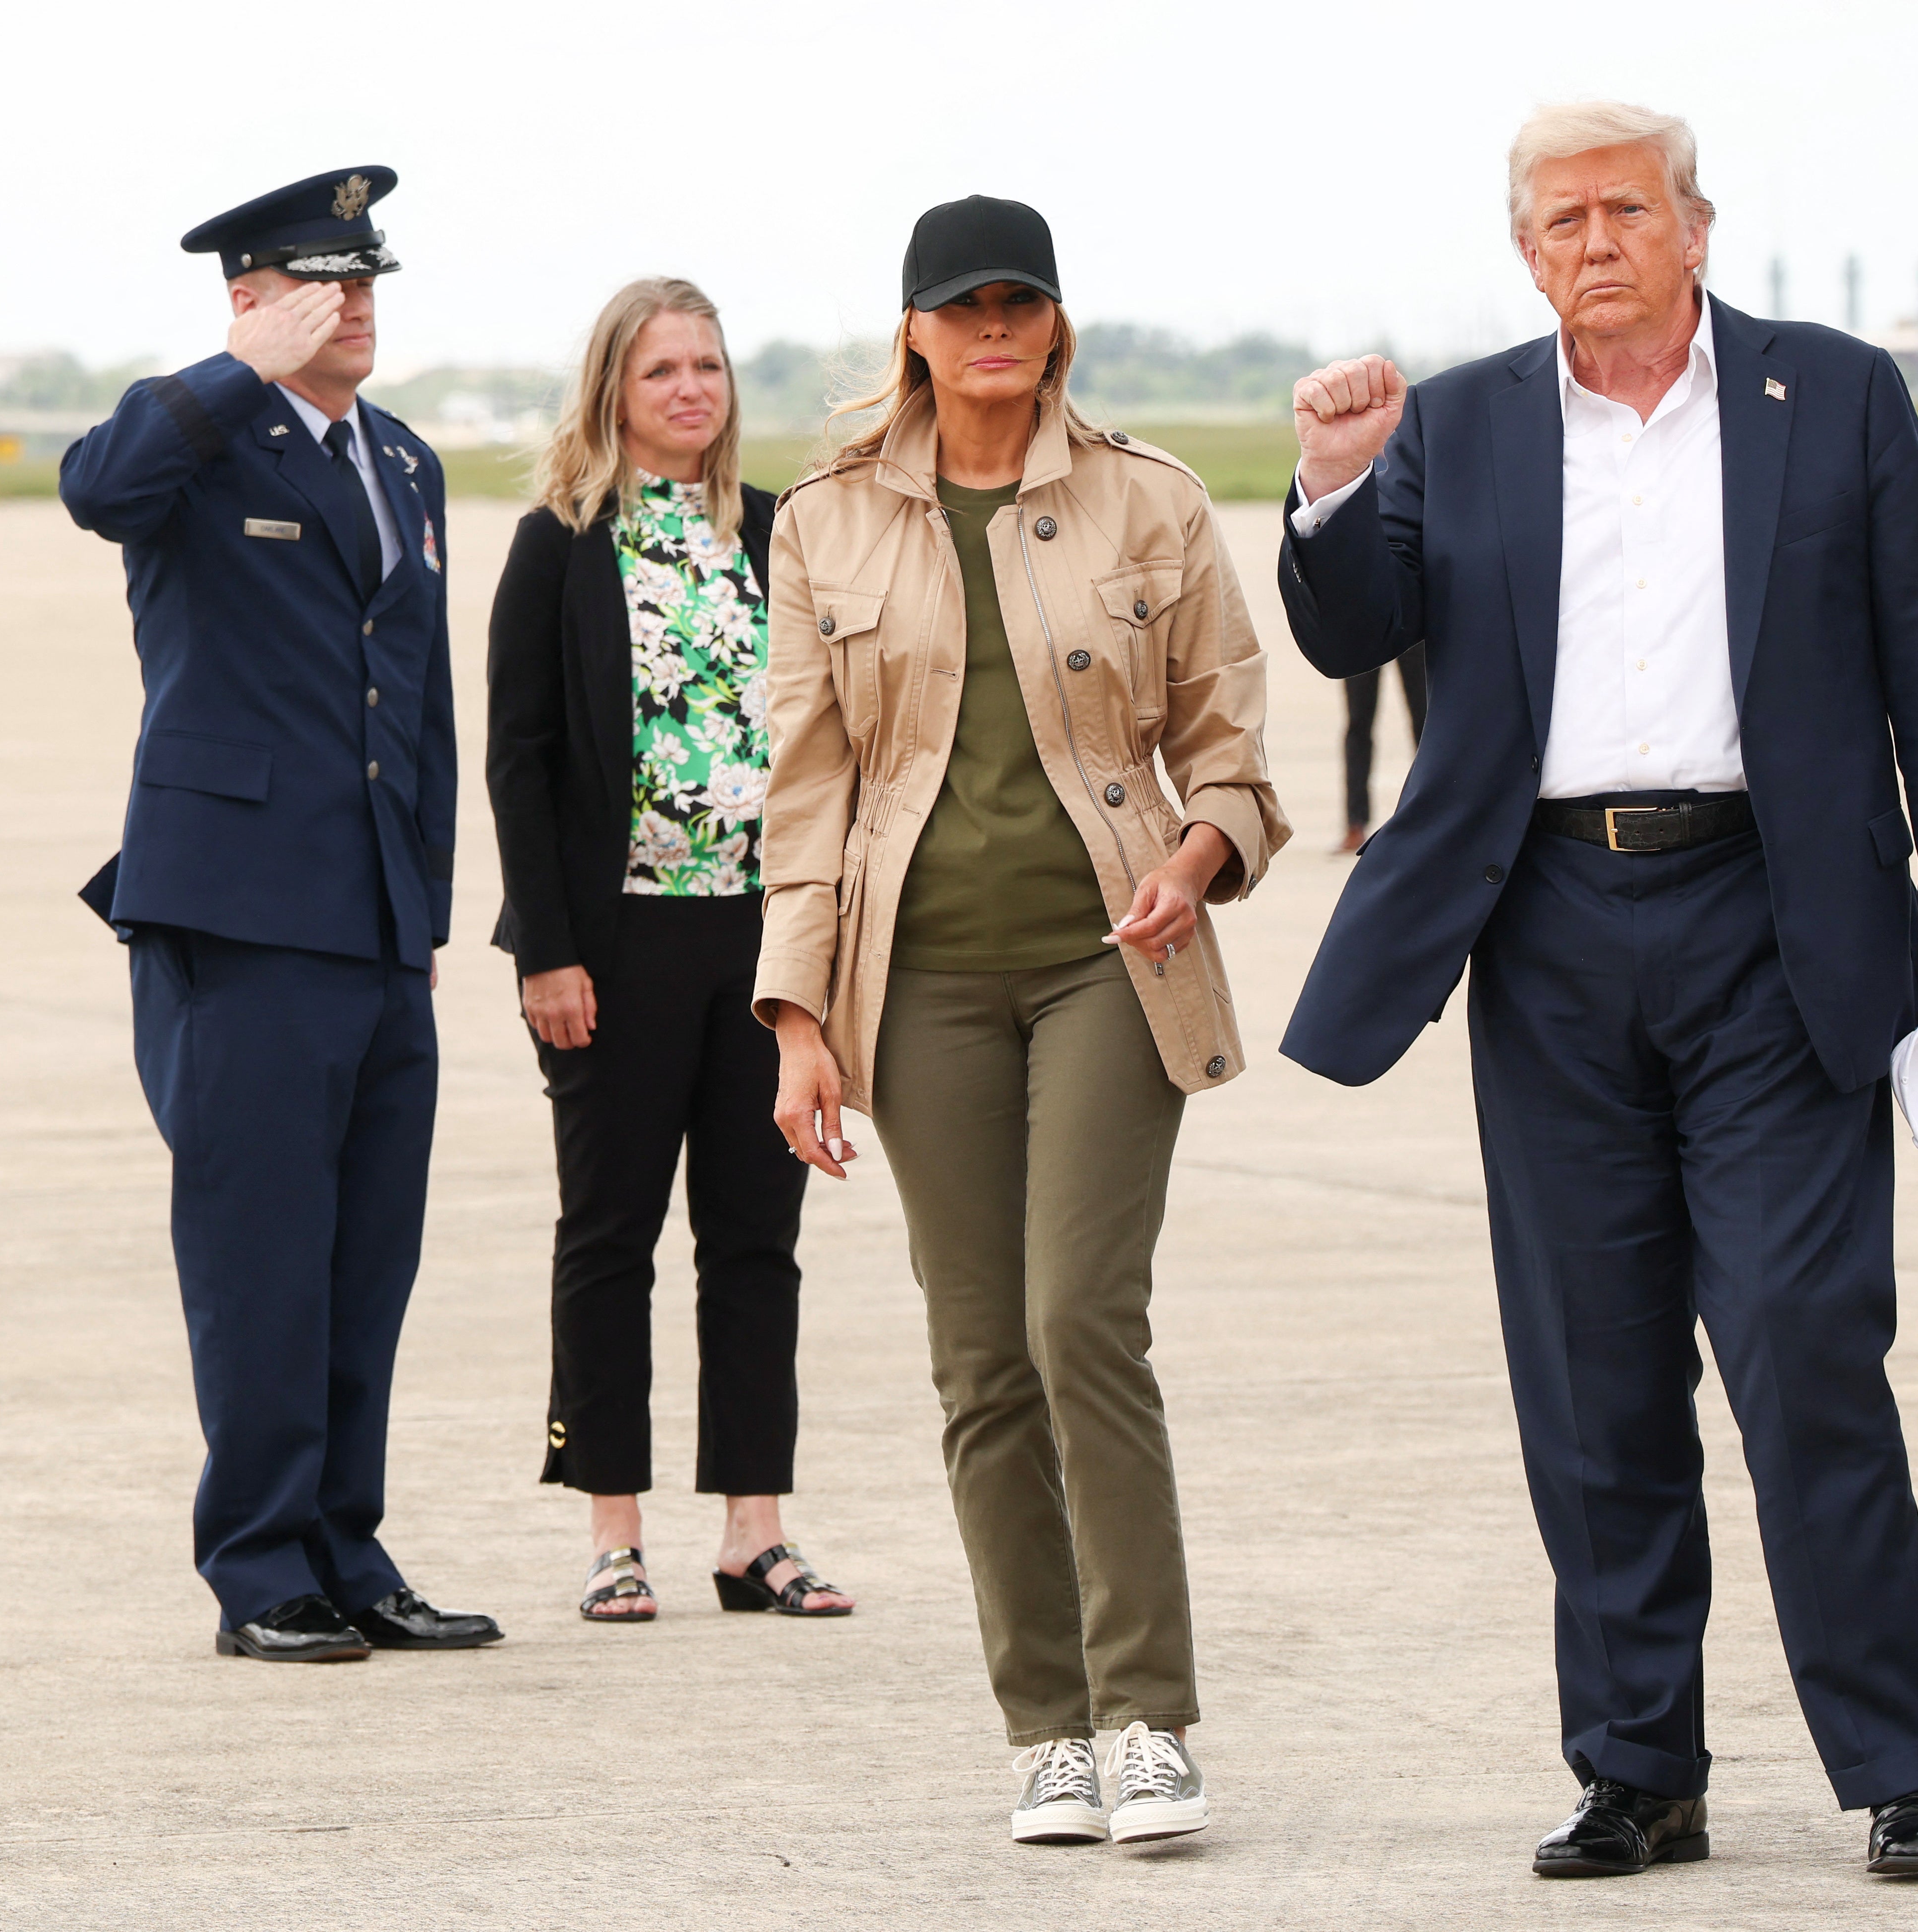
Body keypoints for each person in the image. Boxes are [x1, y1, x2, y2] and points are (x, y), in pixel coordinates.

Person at [1277, 102, 1918, 1879]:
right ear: (1522, 253)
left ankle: (1898, 1763)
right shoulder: (1458, 420)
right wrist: (1328, 485)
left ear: (1695, 223)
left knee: (1804, 1346)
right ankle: (1638, 1768)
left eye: (1621, 208)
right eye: (1555, 221)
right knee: (1592, 1375)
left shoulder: (1829, 394)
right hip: (1544, 934)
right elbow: (1346, 625)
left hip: (1779, 923)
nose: (1589, 239)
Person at [755, 196, 1287, 1845]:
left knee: (1081, 1325)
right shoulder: (823, 526)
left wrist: (1198, 859)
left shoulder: (1152, 502)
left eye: (1020, 304)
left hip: (1108, 967)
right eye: (961, 306)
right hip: (913, 985)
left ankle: (1146, 1717)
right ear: (912, 330)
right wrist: (794, 1018)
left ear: (1057, 325)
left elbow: (1230, 744)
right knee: (980, 1358)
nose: (994, 329)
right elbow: (805, 792)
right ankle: (1044, 1729)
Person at [60, 167, 500, 1662]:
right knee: (258, 1259)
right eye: (322, 283)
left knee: (366, 1261)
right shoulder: (195, 440)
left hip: (375, 928)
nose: (355, 305)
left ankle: (348, 1547)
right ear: (250, 296)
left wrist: (425, 913)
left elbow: (421, 705)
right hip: (239, 922)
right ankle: (260, 1567)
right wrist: (231, 369)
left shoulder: (407, 463)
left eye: (369, 280)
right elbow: (94, 485)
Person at [485, 278, 850, 1623]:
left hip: (759, 946)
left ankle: (753, 1531)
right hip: (614, 942)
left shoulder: (775, 535)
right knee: (610, 1236)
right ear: (612, 393)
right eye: (660, 373)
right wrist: (547, 948)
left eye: (705, 367)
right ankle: (612, 1531)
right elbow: (518, 761)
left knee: (755, 1238)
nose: (688, 390)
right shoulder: (560, 544)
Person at [1338, 645, 1428, 851]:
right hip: (1364, 627)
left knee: (1425, 722)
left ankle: (1429, 814)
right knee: (1359, 723)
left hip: (1414, 624)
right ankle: (1355, 823)